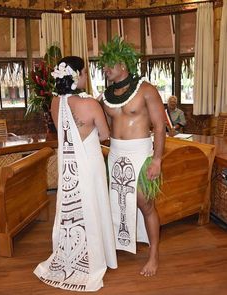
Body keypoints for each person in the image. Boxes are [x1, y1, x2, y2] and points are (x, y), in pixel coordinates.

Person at [34, 56, 117, 292]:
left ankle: (71, 252)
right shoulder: (90, 104)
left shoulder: (54, 102)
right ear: (77, 74)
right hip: (89, 163)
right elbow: (103, 135)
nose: (86, 76)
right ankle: (98, 255)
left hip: (67, 163)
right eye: (84, 72)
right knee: (93, 204)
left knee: (72, 208)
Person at [98, 36, 166, 277]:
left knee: (145, 203)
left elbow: (159, 126)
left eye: (109, 64)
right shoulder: (105, 96)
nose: (105, 69)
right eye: (103, 65)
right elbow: (103, 130)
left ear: (123, 65)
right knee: (118, 202)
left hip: (141, 153)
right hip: (115, 154)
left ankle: (154, 254)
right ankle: (123, 242)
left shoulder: (146, 89)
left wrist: (157, 159)